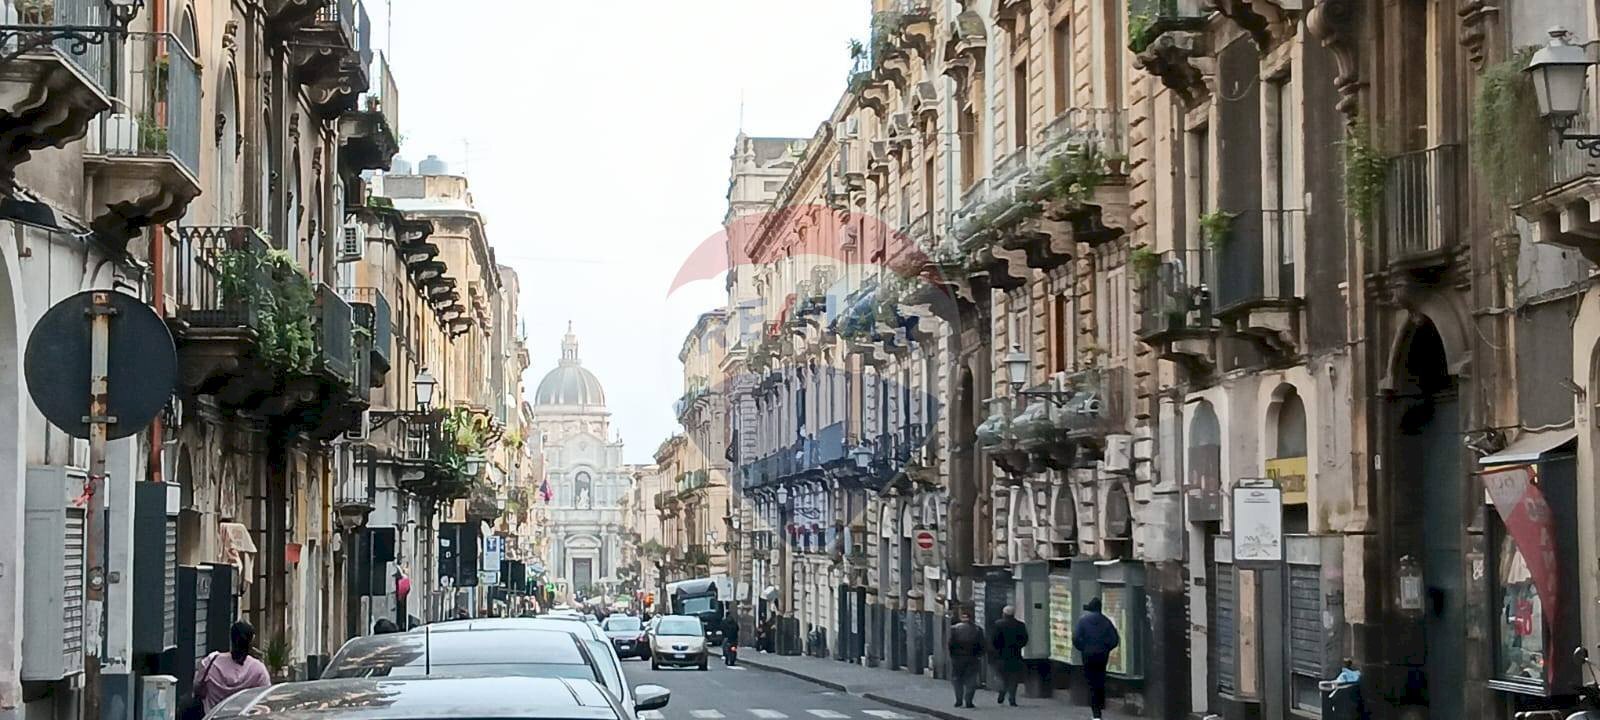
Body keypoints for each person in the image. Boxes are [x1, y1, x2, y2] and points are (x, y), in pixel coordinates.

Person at [193, 621, 272, 712]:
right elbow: (265, 698)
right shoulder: (259, 670)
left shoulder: (210, 662)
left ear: (231, 638)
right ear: (251, 640)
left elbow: (197, 688)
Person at [1073, 597, 1121, 720]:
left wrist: (1083, 648)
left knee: (1091, 681)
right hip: (1102, 656)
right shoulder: (1106, 621)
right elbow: (1115, 639)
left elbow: (1076, 638)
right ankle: (1099, 707)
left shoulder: (1083, 621)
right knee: (1100, 680)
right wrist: (1106, 648)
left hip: (1088, 655)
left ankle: (1095, 711)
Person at [948, 607, 987, 709]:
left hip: (958, 658)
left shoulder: (954, 629)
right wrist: (979, 655)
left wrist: (952, 655)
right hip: (972, 658)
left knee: (957, 679)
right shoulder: (977, 630)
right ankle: (969, 700)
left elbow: (950, 644)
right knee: (971, 679)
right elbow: (982, 645)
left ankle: (958, 700)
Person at [992, 605, 1029, 706]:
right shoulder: (1020, 625)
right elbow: (1025, 639)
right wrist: (1018, 646)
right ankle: (1012, 698)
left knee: (1002, 677)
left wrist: (996, 650)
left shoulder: (998, 625)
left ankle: (1002, 691)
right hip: (1015, 655)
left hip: (1001, 656)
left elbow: (994, 640)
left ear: (1004, 614)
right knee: (1014, 678)